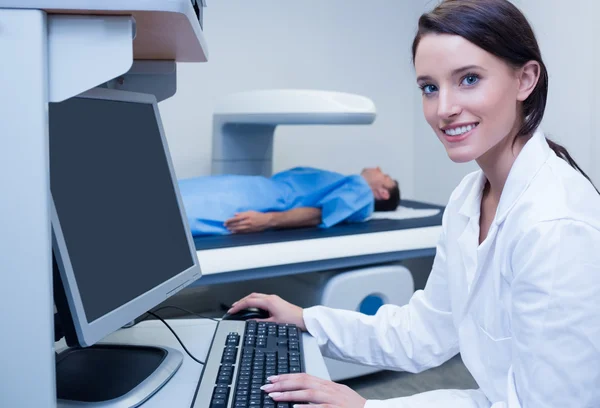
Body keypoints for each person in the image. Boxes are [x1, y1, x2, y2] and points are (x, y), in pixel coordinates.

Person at [226, 0, 600, 406]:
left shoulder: (555, 226)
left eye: (469, 78)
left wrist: (367, 406)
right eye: (430, 87)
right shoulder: (467, 200)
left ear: (525, 80)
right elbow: (423, 332)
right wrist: (305, 320)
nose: (444, 109)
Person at [178, 166, 400, 235]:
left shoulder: (361, 194)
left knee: (186, 209)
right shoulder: (350, 184)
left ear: (383, 193)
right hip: (255, 188)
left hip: (261, 200)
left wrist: (267, 220)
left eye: (385, 176)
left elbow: (319, 214)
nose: (379, 170)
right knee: (185, 190)